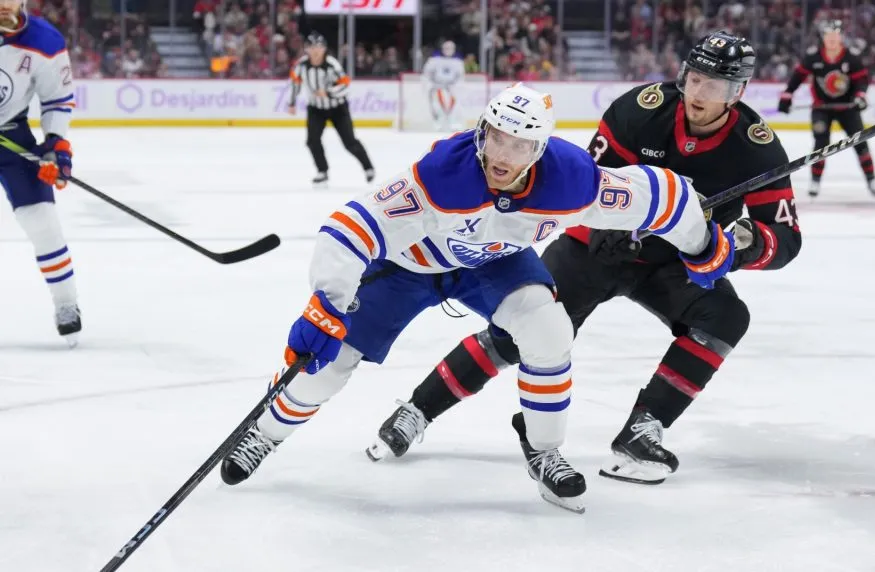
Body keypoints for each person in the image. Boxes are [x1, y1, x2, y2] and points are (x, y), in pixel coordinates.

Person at [220, 82, 729, 513]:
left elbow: (663, 198)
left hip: (490, 264)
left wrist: (704, 244)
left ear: (541, 149)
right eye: (497, 137)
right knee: (329, 362)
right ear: (482, 131)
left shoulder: (572, 181)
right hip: (408, 267)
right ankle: (263, 432)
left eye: (520, 145)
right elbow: (352, 227)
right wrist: (325, 305)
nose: (503, 156)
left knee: (549, 331)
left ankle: (544, 451)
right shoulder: (444, 175)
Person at [367, 31, 802, 486]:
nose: (698, 93)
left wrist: (740, 248)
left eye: (713, 86)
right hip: (596, 247)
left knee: (726, 316)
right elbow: (584, 187)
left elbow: (785, 238)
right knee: (522, 333)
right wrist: (604, 229)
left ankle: (642, 430)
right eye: (694, 79)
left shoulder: (758, 149)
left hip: (675, 262)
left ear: (738, 93)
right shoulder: (642, 111)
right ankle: (417, 409)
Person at [0, 0, 80, 346]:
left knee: (43, 221)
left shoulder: (44, 40)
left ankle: (67, 305)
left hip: (11, 135)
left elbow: (57, 99)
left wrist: (54, 146)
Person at [778, 19, 875, 199]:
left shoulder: (851, 57)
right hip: (822, 108)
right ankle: (815, 181)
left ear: (841, 37)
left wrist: (860, 96)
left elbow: (862, 81)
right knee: (820, 145)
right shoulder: (814, 57)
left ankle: (872, 181)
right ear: (823, 38)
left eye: (835, 35)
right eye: (828, 36)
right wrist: (787, 95)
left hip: (848, 108)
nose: (832, 39)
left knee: (860, 143)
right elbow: (798, 76)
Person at [287, 31, 375, 186]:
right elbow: (295, 83)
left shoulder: (332, 64)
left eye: (319, 47)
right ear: (306, 49)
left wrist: (328, 92)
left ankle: (368, 167)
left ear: (324, 49)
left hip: (338, 108)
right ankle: (322, 171)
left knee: (349, 142)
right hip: (315, 108)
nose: (315, 50)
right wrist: (292, 102)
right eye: (311, 47)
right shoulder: (301, 65)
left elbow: (346, 85)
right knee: (312, 141)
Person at [421, 40, 465, 130]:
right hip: (437, 87)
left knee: (454, 102)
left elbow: (460, 77)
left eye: (450, 48)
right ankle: (438, 122)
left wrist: (455, 86)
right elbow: (426, 74)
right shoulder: (434, 60)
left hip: (451, 87)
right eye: (446, 48)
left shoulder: (458, 62)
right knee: (437, 104)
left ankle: (453, 121)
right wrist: (431, 84)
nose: (448, 50)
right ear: (442, 48)